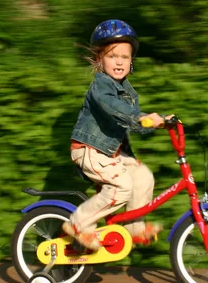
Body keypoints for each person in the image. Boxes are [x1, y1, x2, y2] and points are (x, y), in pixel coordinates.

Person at [61, 19, 168, 251]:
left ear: (131, 62)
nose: (119, 62)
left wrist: (157, 123)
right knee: (121, 187)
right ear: (100, 60)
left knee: (143, 176)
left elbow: (134, 120)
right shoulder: (101, 86)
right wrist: (140, 117)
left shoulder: (129, 93)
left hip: (110, 154)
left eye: (124, 57)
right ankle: (79, 224)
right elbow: (114, 107)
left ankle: (133, 228)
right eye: (112, 56)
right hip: (90, 150)